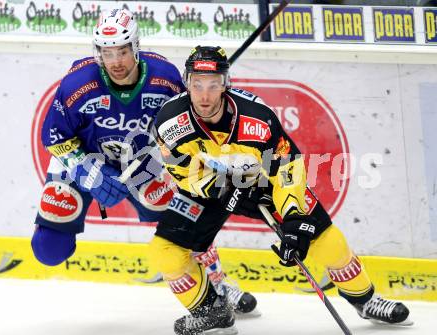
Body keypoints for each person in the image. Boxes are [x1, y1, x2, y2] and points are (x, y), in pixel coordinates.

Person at [150, 45, 413, 335]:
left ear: (226, 83)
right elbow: (179, 170)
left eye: (213, 85)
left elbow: (287, 167)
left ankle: (366, 299)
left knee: (327, 240)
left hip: (262, 182)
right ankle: (213, 313)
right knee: (165, 253)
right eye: (197, 84)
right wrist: (216, 186)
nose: (204, 95)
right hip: (209, 187)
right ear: (186, 82)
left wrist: (292, 217)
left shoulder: (257, 118)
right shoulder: (169, 120)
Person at [31, 9, 257, 316]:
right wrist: (86, 169)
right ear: (98, 53)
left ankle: (216, 285)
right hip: (82, 163)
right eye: (107, 53)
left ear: (136, 46)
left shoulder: (163, 77)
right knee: (48, 249)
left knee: (185, 219)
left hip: (139, 162)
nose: (116, 62)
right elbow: (53, 136)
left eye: (123, 51)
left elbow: (185, 120)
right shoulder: (76, 84)